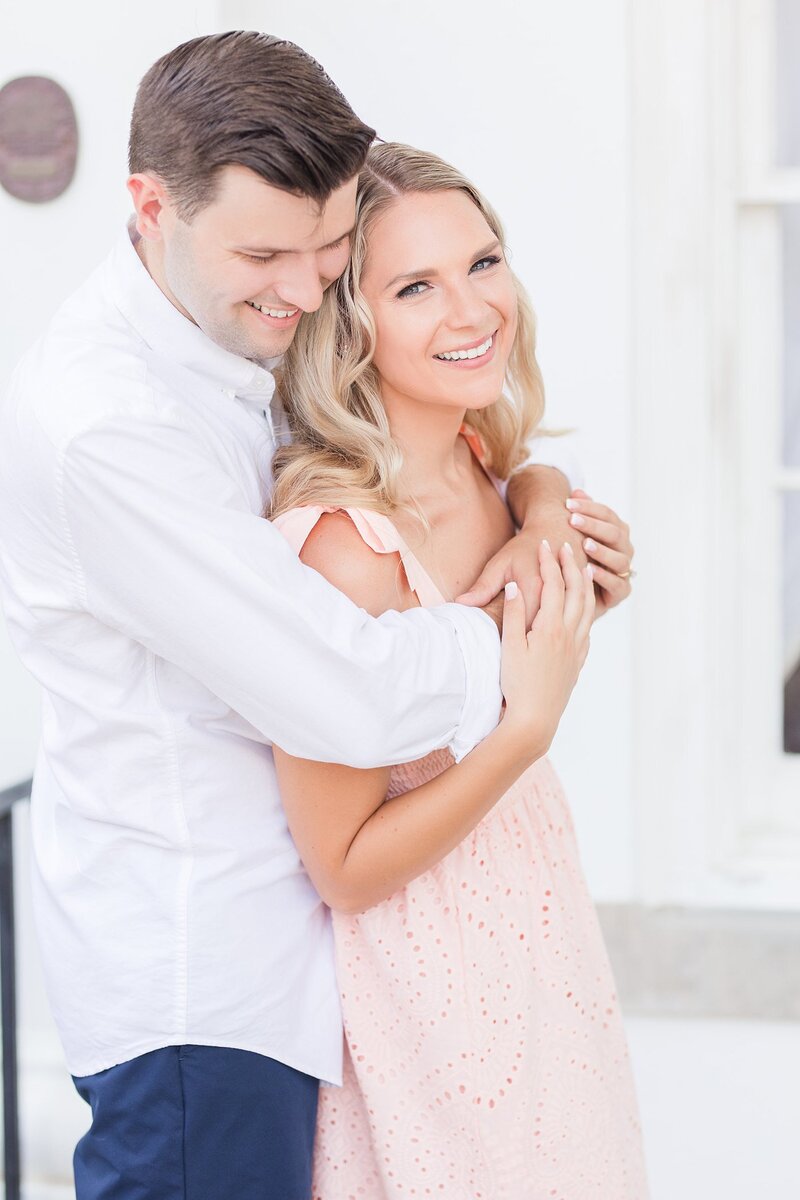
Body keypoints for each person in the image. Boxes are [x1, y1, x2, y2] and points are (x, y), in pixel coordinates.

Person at [0, 32, 634, 1200]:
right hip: (207, 978)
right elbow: (343, 688)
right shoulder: (107, 426)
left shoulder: (246, 350)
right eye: (264, 253)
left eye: (327, 248)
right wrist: (531, 638)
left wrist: (543, 509)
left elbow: (466, 454)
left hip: (333, 969)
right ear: (148, 206)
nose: (299, 286)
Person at [270, 142, 648, 1199]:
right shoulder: (344, 552)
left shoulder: (486, 465)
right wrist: (527, 727)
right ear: (350, 325)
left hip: (540, 957)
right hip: (424, 1009)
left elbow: (526, 466)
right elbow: (339, 865)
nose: (472, 309)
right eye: (414, 287)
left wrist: (545, 515)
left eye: (482, 264)